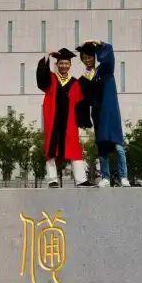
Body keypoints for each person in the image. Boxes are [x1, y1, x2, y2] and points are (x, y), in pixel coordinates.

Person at [76, 39, 130, 187]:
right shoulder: (85, 78)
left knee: (118, 145)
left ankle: (123, 177)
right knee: (102, 145)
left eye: (89, 57)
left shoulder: (105, 69)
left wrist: (97, 42)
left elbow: (109, 52)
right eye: (84, 58)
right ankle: (105, 177)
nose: (87, 60)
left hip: (110, 111)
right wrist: (83, 120)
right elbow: (81, 100)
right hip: (98, 114)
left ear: (95, 57)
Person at [37, 48, 92, 188]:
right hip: (53, 121)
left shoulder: (75, 83)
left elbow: (81, 102)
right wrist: (46, 56)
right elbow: (41, 77)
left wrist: (83, 122)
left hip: (69, 122)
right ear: (57, 64)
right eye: (61, 63)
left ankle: (81, 180)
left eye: (66, 63)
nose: (64, 66)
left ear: (70, 65)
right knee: (51, 150)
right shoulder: (50, 79)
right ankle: (52, 180)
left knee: (74, 148)